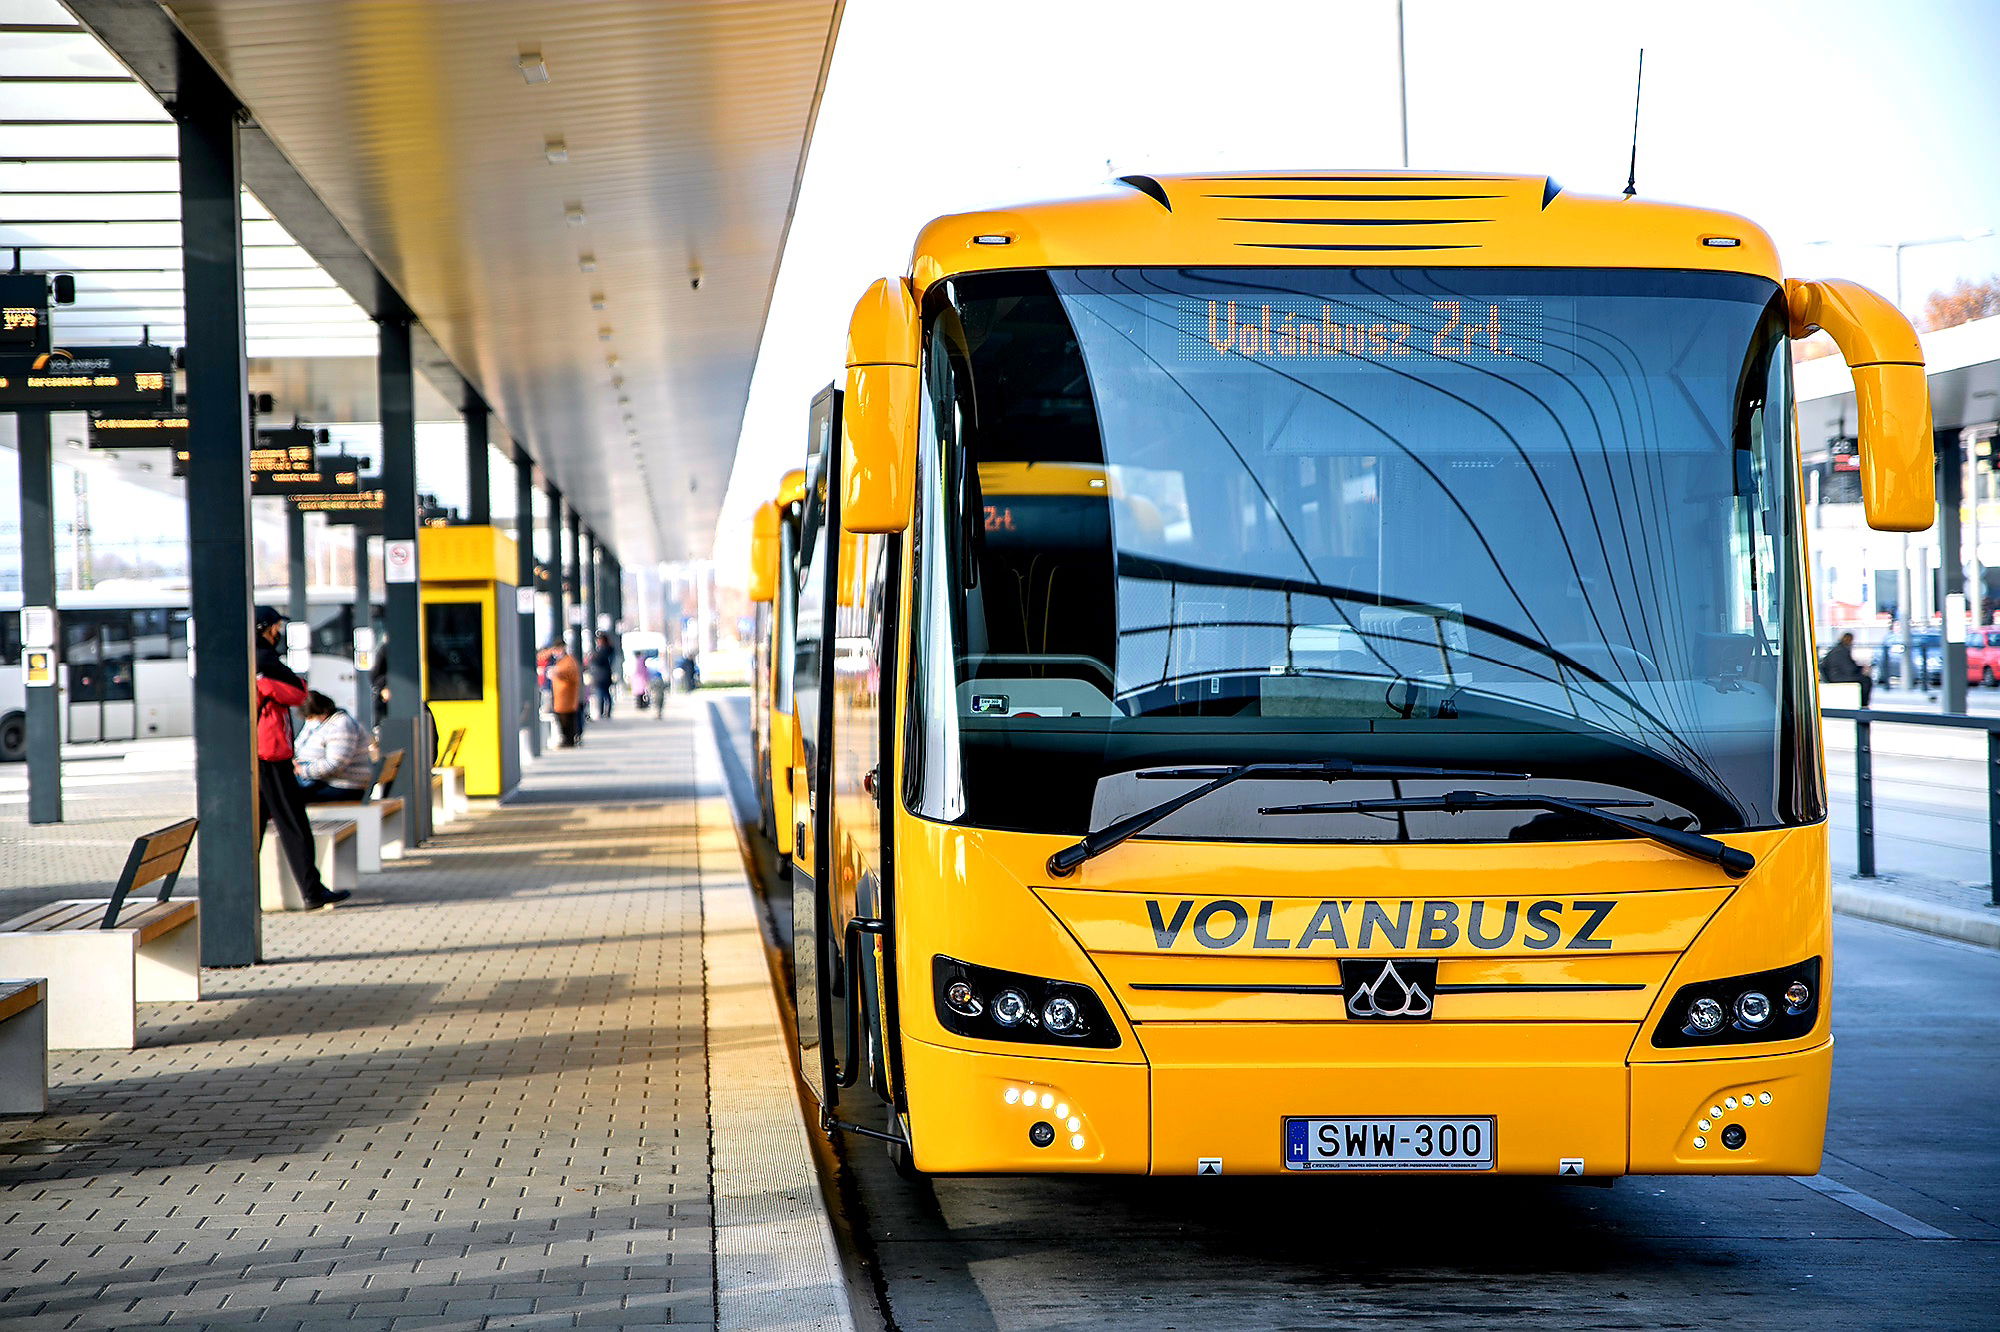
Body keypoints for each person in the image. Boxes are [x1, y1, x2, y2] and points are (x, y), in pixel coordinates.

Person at [254, 607, 350, 907]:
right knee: (294, 825)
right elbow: (297, 693)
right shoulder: (263, 659)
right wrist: (268, 686)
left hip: (261, 756)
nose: (278, 634)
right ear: (265, 628)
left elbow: (294, 692)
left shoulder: (254, 659)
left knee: (254, 829)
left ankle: (241, 894)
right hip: (270, 757)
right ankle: (311, 892)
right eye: (276, 627)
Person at [294, 691, 375, 803]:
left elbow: (335, 764)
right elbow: (297, 746)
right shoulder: (318, 723)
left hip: (343, 786)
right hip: (322, 781)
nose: (308, 720)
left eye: (311, 716)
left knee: (284, 797)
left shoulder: (342, 725)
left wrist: (302, 770)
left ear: (323, 711)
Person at [1819, 631, 1873, 707]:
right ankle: (1864, 704)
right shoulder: (1842, 651)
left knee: (1863, 679)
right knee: (1866, 680)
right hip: (1838, 677)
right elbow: (1849, 669)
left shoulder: (1837, 649)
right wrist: (1861, 669)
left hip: (1834, 676)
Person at [547, 642, 584, 747]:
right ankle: (567, 740)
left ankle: (569, 741)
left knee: (567, 721)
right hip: (562, 696)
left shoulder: (568, 661)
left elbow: (569, 673)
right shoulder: (563, 661)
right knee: (564, 720)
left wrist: (557, 672)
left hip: (567, 696)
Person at [588, 631, 616, 719]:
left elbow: (597, 661)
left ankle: (602, 712)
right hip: (605, 675)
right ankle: (606, 712)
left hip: (600, 676)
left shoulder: (602, 650)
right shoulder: (609, 650)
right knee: (606, 694)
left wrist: (592, 658)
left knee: (601, 694)